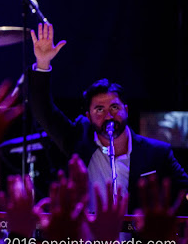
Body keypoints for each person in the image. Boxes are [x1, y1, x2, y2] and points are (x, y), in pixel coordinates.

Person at [29, 22, 188, 213]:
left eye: (114, 107)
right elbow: (43, 111)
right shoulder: (78, 140)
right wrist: (43, 63)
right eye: (99, 109)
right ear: (88, 115)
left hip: (136, 243)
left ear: (126, 110)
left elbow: (184, 191)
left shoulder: (157, 153)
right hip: (86, 242)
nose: (108, 115)